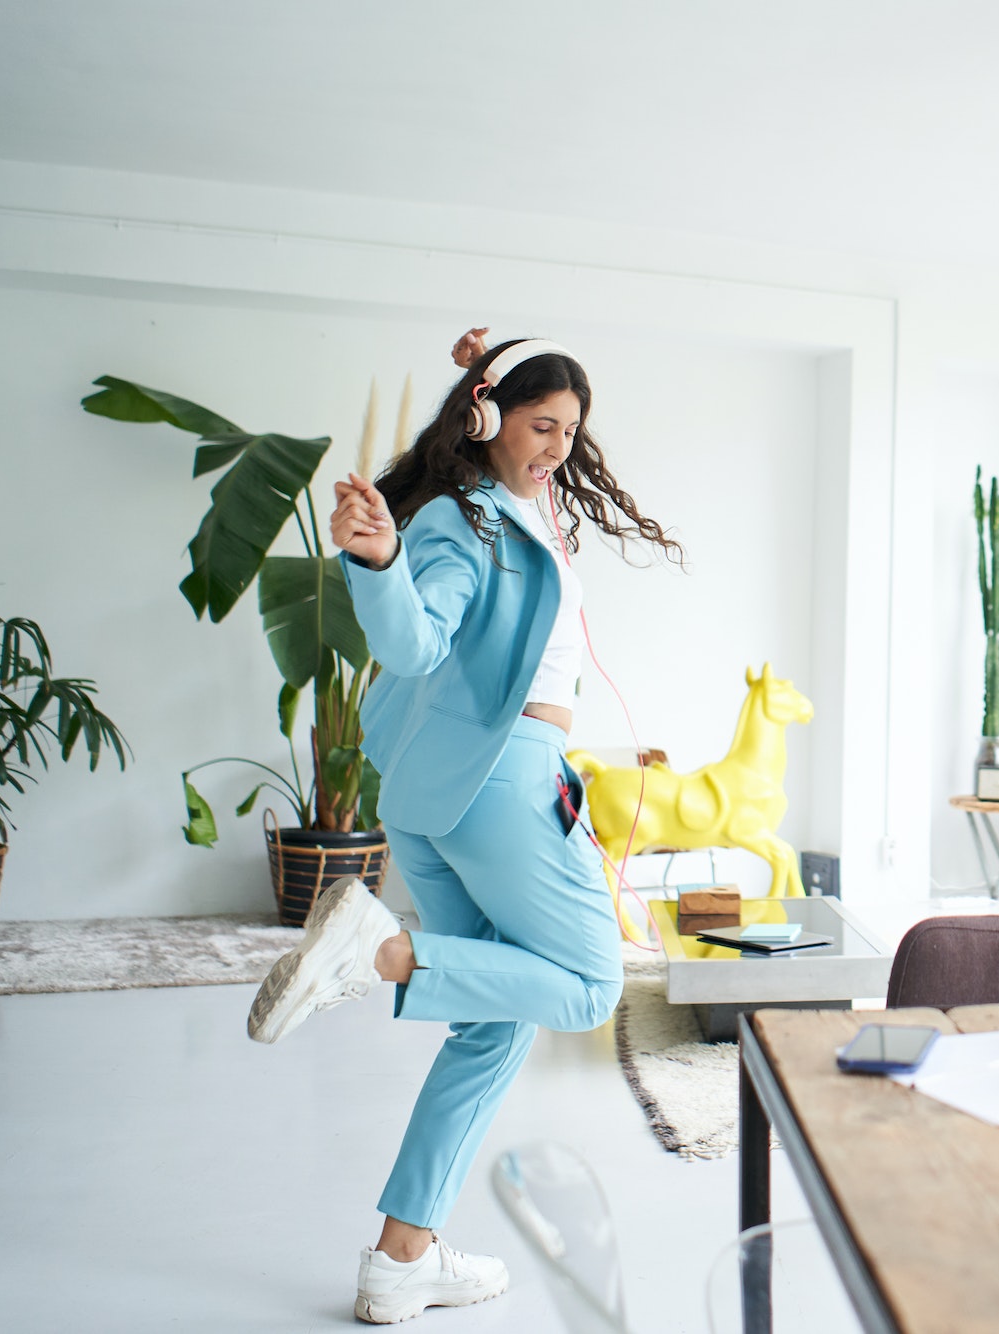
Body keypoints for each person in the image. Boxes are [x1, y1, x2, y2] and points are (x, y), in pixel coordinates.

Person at [243, 328, 681, 1324]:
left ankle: (402, 1259)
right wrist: (381, 555)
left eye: (570, 430)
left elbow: (520, 455)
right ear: (487, 421)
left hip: (446, 795)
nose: (558, 446)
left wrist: (494, 359)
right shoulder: (460, 522)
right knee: (589, 984)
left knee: (491, 1027)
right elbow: (413, 637)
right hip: (505, 781)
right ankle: (382, 950)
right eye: (540, 425)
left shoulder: (523, 502)